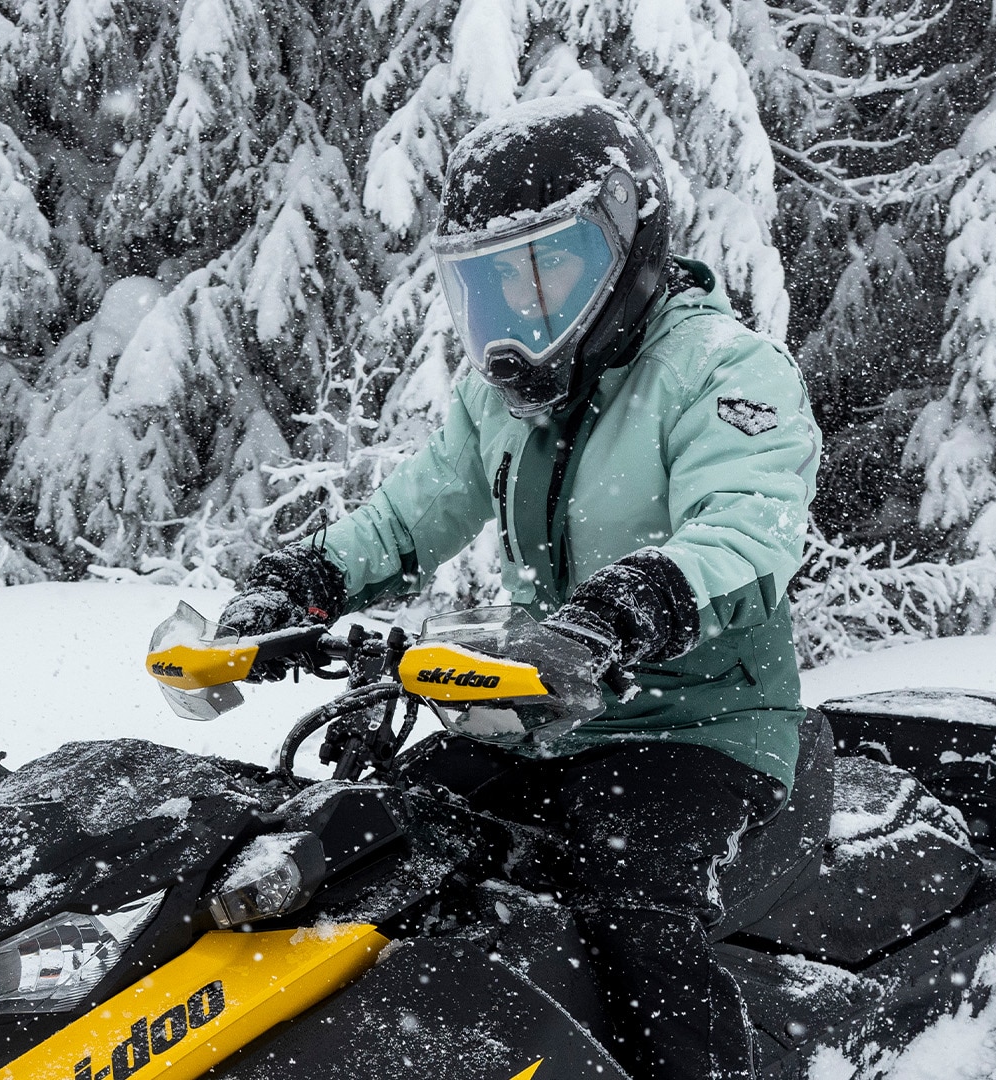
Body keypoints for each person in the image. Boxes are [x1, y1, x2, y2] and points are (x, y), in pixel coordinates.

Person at [217, 95, 820, 1080]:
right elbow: (413, 515)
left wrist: (623, 612)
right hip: (542, 721)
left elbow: (747, 530)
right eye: (490, 291)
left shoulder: (722, 370)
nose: (515, 321)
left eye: (547, 276)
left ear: (629, 245)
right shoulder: (497, 405)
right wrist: (303, 579)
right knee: (369, 849)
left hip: (699, 731)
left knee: (632, 917)